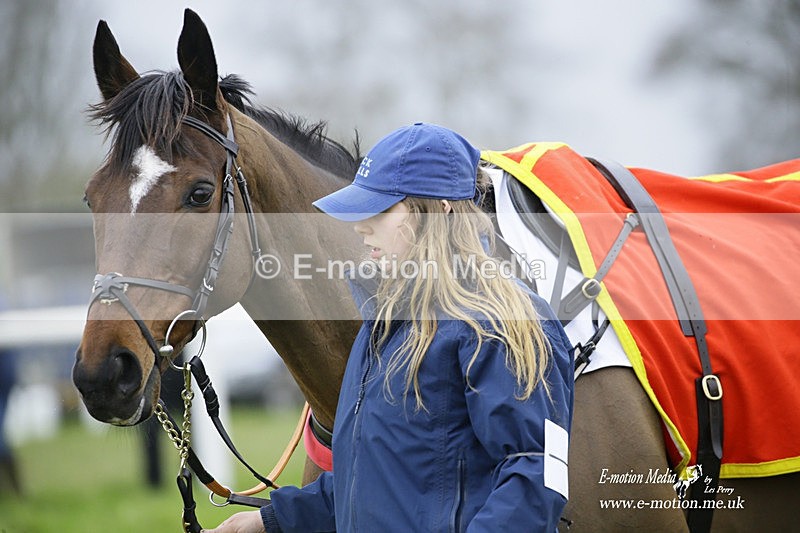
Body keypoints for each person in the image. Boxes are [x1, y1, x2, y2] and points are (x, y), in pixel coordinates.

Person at [204, 123, 574, 532]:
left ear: (441, 208)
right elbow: (375, 483)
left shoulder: (501, 323)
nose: (361, 225)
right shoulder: (382, 326)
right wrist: (267, 521)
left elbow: (535, 477)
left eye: (380, 209)